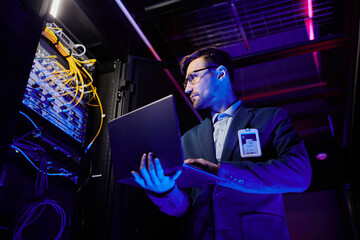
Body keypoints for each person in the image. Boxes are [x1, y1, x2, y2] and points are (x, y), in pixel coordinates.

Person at [131, 47, 312, 240]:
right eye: (185, 82)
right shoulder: (187, 139)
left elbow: (299, 174)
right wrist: (164, 191)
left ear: (220, 73)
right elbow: (184, 207)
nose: (187, 89)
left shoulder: (270, 119)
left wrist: (219, 172)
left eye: (192, 77)